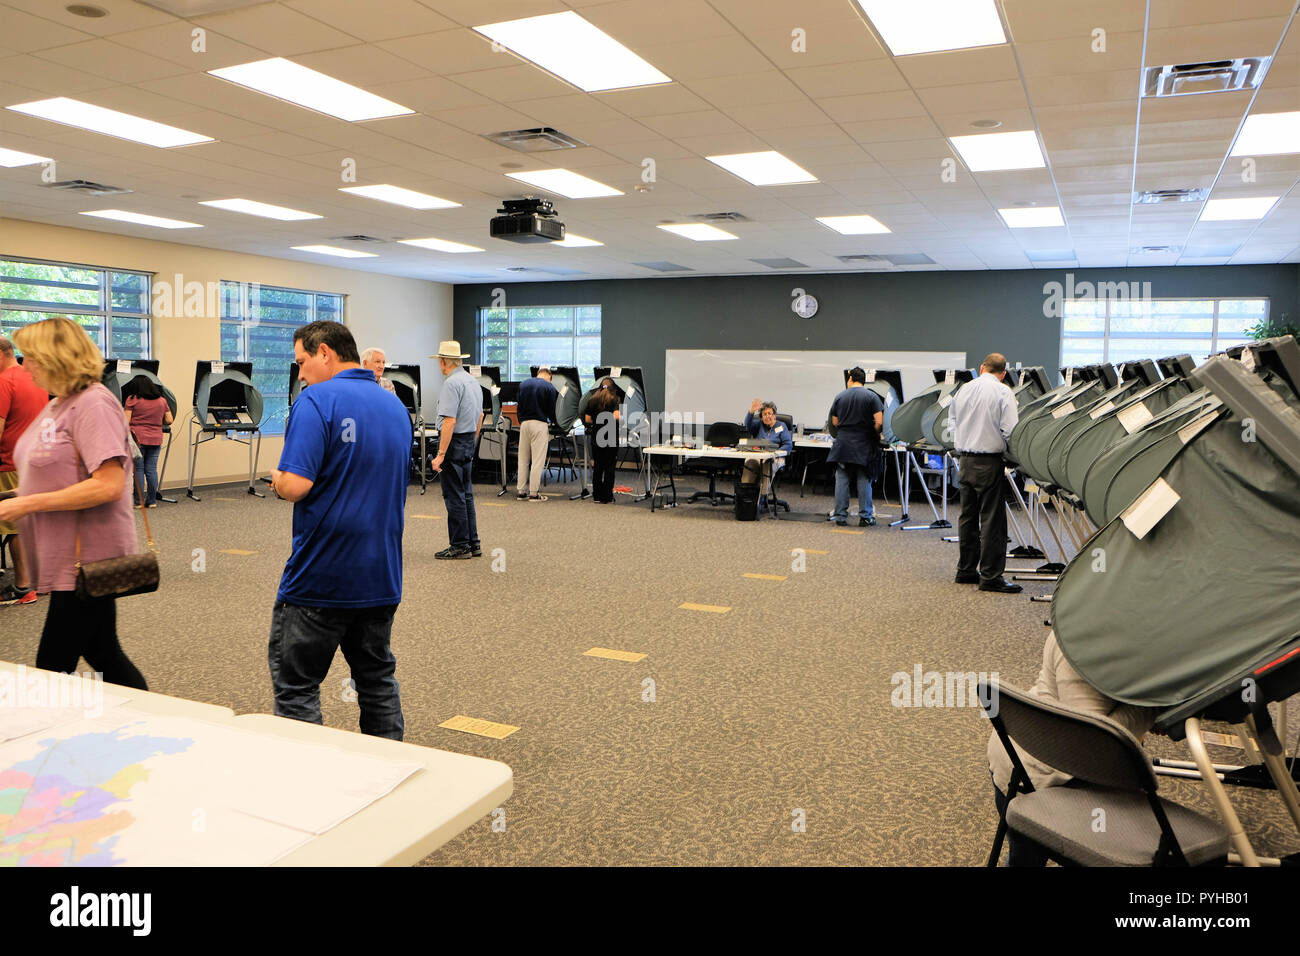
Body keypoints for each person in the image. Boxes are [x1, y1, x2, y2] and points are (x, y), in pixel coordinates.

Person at [268, 320, 412, 740]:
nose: (300, 373)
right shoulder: (394, 407)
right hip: (381, 574)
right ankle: (390, 777)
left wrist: (276, 479)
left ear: (325, 352)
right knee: (377, 681)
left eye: (302, 361)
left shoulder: (315, 401)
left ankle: (310, 789)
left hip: (322, 576)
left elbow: (296, 485)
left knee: (297, 687)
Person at [0, 318, 146, 687]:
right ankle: (144, 727)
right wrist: (15, 498)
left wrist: (26, 505)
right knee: (103, 653)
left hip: (88, 557)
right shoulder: (59, 404)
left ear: (55, 357)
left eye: (30, 356)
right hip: (65, 555)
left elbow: (109, 485)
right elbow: (56, 474)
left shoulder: (94, 403)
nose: (25, 364)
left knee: (52, 666)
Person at [987, 630, 1157, 865]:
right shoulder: (1090, 646)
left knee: (1024, 857)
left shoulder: (1075, 616)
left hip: (1017, 757)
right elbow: (1088, 745)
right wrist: (1152, 706)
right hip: (1045, 778)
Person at [950, 353, 1020, 593]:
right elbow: (1010, 430)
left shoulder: (964, 389)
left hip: (965, 460)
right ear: (1003, 373)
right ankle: (990, 576)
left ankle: (966, 571)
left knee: (967, 518)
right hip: (989, 463)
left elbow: (951, 423)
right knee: (992, 520)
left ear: (982, 368)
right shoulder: (1003, 392)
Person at [0, 335, 49, 606]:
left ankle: (23, 588)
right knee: (29, 524)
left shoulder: (4, 382)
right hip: (34, 462)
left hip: (9, 463)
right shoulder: (33, 379)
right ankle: (41, 581)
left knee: (14, 528)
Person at [429, 341, 483, 558]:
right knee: (466, 494)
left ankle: (459, 545)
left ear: (443, 362)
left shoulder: (451, 384)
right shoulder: (472, 381)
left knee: (454, 496)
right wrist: (472, 442)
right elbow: (480, 416)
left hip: (454, 442)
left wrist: (441, 454)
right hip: (469, 440)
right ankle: (473, 543)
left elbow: (449, 421)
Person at [827, 368, 884, 526]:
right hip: (863, 444)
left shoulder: (840, 396)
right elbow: (879, 421)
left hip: (843, 443)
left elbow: (835, 422)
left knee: (842, 479)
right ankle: (865, 516)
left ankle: (840, 516)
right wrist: (873, 433)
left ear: (850, 378)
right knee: (864, 479)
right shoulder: (871, 396)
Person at [124, 378, 172, 508]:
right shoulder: (162, 401)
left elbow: (125, 420)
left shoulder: (132, 399)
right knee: (151, 469)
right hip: (156, 438)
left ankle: (138, 502)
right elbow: (169, 420)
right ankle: (152, 501)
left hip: (137, 438)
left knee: (138, 469)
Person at [515, 365, 558, 501]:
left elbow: (519, 406)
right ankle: (534, 493)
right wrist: (556, 422)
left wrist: (521, 420)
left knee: (523, 459)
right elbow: (552, 410)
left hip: (524, 424)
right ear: (549, 377)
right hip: (539, 424)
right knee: (537, 460)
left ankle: (521, 491)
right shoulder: (549, 387)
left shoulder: (523, 384)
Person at [740, 398, 794, 489]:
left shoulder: (781, 426)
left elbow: (788, 445)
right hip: (758, 456)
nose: (767, 416)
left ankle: (762, 497)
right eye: (764, 414)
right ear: (761, 416)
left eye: (770, 413)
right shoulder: (759, 425)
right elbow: (748, 425)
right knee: (750, 463)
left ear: (774, 415)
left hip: (775, 458)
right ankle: (746, 495)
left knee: (767, 465)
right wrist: (751, 412)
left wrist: (775, 453)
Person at [584, 377, 621, 504]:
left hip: (596, 437)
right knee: (610, 467)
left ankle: (597, 496)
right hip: (610, 437)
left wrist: (598, 419)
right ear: (613, 389)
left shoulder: (592, 399)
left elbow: (588, 419)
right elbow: (616, 416)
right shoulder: (615, 399)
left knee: (598, 466)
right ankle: (607, 497)